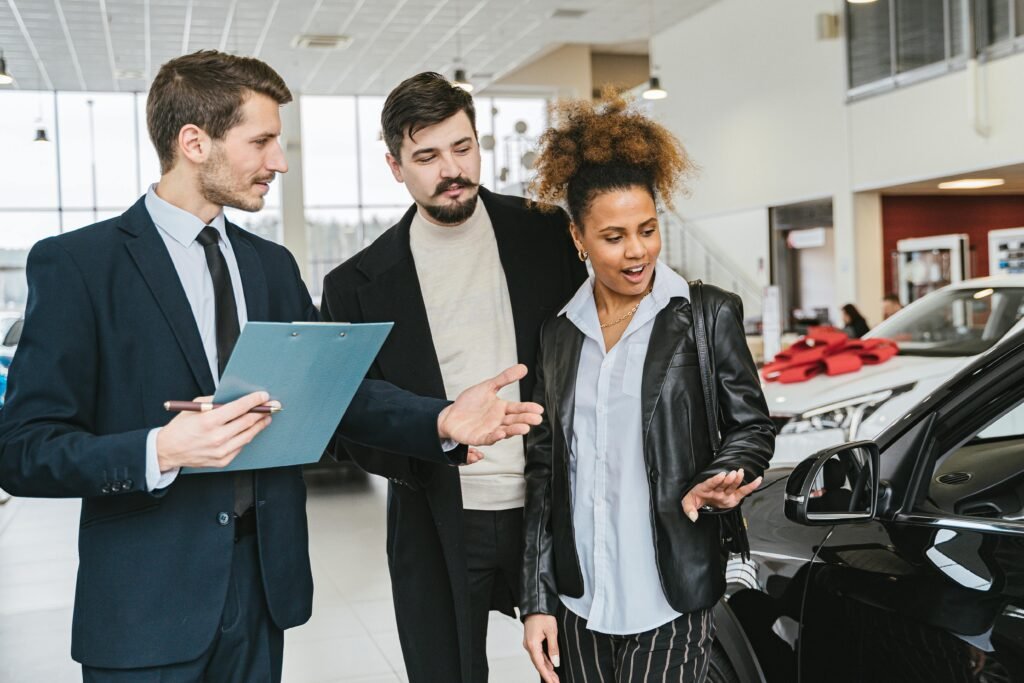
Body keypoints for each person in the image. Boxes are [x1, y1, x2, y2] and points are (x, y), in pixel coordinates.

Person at [0, 51, 545, 683]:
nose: (279, 162)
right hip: (145, 605)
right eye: (261, 142)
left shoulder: (271, 266)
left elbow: (342, 394)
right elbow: (22, 449)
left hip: (263, 591)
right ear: (194, 142)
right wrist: (160, 450)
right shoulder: (79, 266)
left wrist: (443, 419)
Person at [321, 72, 587, 683]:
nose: (452, 169)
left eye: (462, 147)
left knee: (582, 671)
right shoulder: (356, 285)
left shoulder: (549, 234)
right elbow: (346, 419)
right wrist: (439, 431)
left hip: (556, 511)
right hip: (436, 518)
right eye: (427, 156)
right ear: (395, 166)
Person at [519, 94, 775, 683]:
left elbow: (751, 427)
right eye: (613, 237)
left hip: (672, 591)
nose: (637, 252)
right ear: (578, 237)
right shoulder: (558, 335)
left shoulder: (707, 315)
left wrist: (726, 474)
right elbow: (544, 472)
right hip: (579, 598)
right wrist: (537, 599)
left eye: (648, 230)